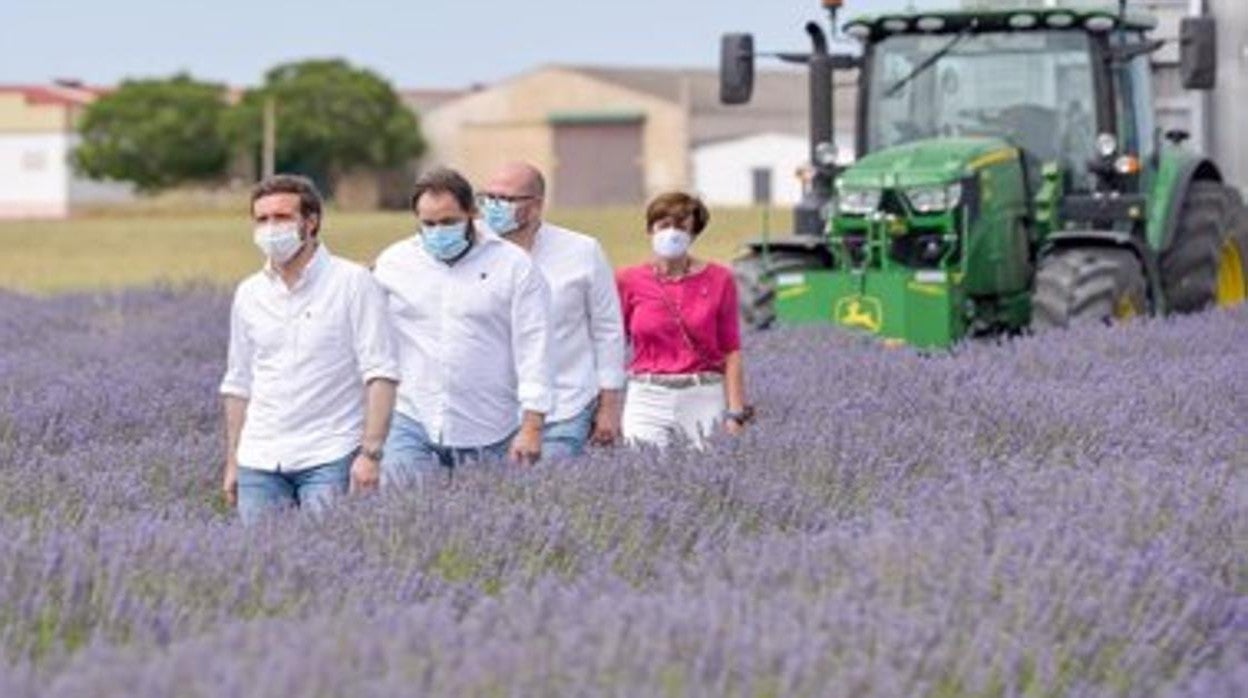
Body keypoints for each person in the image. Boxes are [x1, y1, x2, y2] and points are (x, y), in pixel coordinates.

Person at [219, 174, 400, 524]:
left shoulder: (352, 283)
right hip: (260, 460)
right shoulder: (249, 293)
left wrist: (371, 453)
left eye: (282, 217)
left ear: (311, 221)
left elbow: (381, 372)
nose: (271, 228)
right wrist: (233, 461)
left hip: (331, 454)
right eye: (262, 219)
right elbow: (239, 383)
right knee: (263, 569)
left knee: (333, 559)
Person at [373, 167, 553, 486]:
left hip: (489, 427)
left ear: (471, 212)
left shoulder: (513, 265)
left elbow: (534, 348)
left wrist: (532, 426)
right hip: (413, 420)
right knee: (407, 521)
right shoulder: (394, 264)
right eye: (428, 224)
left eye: (448, 222)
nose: (438, 231)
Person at [479, 162, 626, 458]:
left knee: (546, 491)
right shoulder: (472, 250)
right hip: (490, 413)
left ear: (536, 205)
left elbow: (607, 330)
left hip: (565, 405)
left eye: (506, 199)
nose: (494, 206)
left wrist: (609, 406)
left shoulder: (582, 252)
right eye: (488, 197)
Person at [615, 192, 753, 448]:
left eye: (681, 226)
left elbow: (731, 350)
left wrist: (736, 411)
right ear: (650, 230)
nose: (671, 233)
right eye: (663, 225)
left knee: (707, 476)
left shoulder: (719, 279)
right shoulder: (628, 280)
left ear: (693, 233)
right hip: (647, 396)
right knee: (642, 474)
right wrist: (605, 407)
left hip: (703, 394)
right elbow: (612, 344)